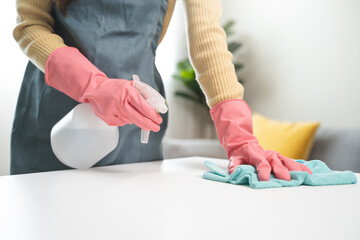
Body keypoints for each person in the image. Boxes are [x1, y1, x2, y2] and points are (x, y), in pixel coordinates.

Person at [12, 0, 312, 180]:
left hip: (137, 128)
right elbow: (30, 24)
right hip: (53, 116)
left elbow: (207, 36)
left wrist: (239, 137)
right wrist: (95, 86)